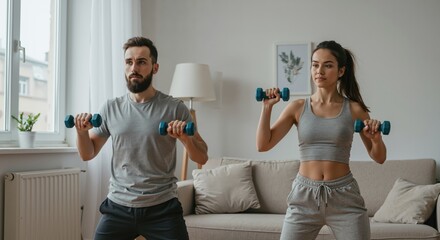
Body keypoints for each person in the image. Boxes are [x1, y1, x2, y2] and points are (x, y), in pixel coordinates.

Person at [74, 36, 208, 240]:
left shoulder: (174, 107)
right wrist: (81, 131)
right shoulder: (111, 108)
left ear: (155, 67)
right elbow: (87, 153)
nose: (134, 68)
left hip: (162, 208)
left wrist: (185, 139)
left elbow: (202, 157)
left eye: (141, 62)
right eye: (129, 62)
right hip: (118, 206)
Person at [256, 40, 387, 240]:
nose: (320, 71)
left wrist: (376, 139)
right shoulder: (297, 107)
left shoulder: (355, 109)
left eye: (328, 65)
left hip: (344, 197)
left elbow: (379, 158)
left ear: (341, 71)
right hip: (304, 197)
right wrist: (267, 107)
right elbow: (263, 145)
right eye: (315, 65)